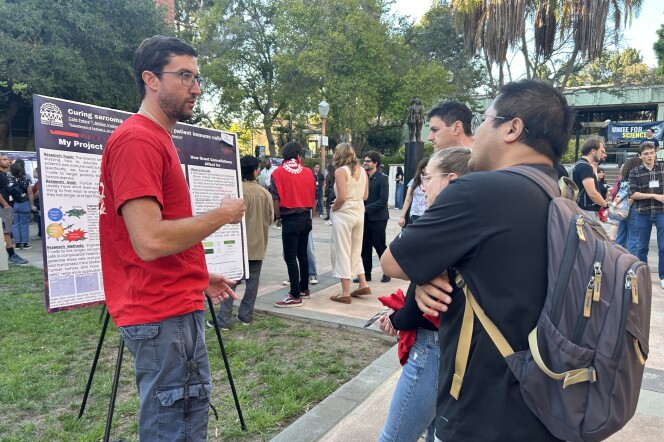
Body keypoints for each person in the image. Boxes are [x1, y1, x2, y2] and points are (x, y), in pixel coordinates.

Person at [382, 79, 575, 442]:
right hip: (547, 394)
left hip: (484, 406)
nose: (477, 131)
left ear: (513, 128)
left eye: (485, 120)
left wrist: (425, 270)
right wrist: (437, 271)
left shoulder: (480, 191)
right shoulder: (562, 190)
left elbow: (392, 262)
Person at [98, 35, 246, 440]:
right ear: (150, 78)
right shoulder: (139, 139)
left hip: (168, 306)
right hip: (161, 313)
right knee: (176, 425)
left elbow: (152, 238)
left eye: (197, 77)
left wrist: (198, 278)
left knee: (181, 416)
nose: (195, 88)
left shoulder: (154, 137)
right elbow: (149, 240)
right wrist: (221, 215)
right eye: (184, 76)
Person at [378, 147, 471, 442]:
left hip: (434, 347)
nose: (423, 185)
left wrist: (397, 316)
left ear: (450, 180)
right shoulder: (475, 222)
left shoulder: (444, 225)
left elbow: (391, 263)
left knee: (395, 437)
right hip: (456, 345)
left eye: (427, 178)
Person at [215, 155, 273, 328]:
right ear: (256, 171)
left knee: (230, 282)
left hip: (235, 247)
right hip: (257, 245)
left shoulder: (233, 192)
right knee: (253, 282)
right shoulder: (265, 193)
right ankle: (245, 316)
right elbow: (270, 219)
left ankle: (223, 320)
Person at [270, 141, 317, 307]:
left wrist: (278, 217)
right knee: (302, 254)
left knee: (290, 256)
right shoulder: (308, 172)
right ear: (298, 155)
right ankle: (304, 288)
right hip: (306, 216)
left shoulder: (278, 173)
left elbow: (276, 197)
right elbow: (315, 194)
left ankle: (295, 294)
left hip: (289, 217)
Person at [328, 143, 369, 304]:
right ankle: (363, 283)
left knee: (342, 250)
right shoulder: (363, 171)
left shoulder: (340, 171)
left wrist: (333, 208)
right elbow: (365, 195)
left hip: (344, 214)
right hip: (359, 211)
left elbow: (342, 198)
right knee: (355, 249)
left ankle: (345, 292)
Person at [628, 141, 664, 289]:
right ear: (640, 156)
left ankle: (663, 276)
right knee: (642, 247)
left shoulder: (662, 169)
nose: (650, 156)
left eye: (652, 152)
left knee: (663, 246)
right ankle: (643, 275)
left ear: (655, 153)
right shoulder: (635, 172)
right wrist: (654, 196)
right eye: (646, 154)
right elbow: (633, 193)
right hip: (643, 213)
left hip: (661, 212)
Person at [359, 151, 390, 283]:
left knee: (379, 246)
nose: (365, 163)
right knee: (364, 247)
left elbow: (383, 200)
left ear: (375, 163)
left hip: (378, 218)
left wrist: (366, 208)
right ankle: (366, 274)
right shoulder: (364, 178)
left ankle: (387, 272)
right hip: (365, 218)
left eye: (368, 161)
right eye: (364, 161)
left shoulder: (382, 178)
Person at [0, 153, 28, 264]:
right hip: (3, 206)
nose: (7, 161)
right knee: (6, 231)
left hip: (9, 204)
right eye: (4, 159)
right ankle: (12, 255)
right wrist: (5, 205)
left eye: (8, 159)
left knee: (6, 230)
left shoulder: (5, 174)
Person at [572, 136, 608, 221]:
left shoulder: (578, 164)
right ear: (593, 151)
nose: (602, 154)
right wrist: (605, 205)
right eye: (601, 151)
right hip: (587, 211)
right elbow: (592, 193)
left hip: (580, 209)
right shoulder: (585, 167)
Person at [613, 157, 641, 253]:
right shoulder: (636, 177)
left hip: (622, 208)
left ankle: (617, 258)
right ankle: (632, 261)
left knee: (621, 235)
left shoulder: (623, 179)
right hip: (634, 207)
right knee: (634, 237)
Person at [9, 162, 36, 249]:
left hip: (13, 204)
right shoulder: (25, 180)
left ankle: (17, 243)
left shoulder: (9, 180)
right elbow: (30, 193)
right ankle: (25, 243)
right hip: (24, 203)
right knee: (24, 224)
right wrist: (32, 205)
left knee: (15, 224)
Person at [399, 157, 428, 228]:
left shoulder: (435, 181)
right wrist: (402, 216)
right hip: (416, 213)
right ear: (422, 169)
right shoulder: (414, 181)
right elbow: (408, 199)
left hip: (429, 213)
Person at [31, 167, 41, 240]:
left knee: (40, 218)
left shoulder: (39, 182)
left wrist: (32, 199)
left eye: (34, 172)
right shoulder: (37, 182)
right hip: (38, 202)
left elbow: (38, 193)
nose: (33, 173)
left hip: (39, 202)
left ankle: (40, 234)